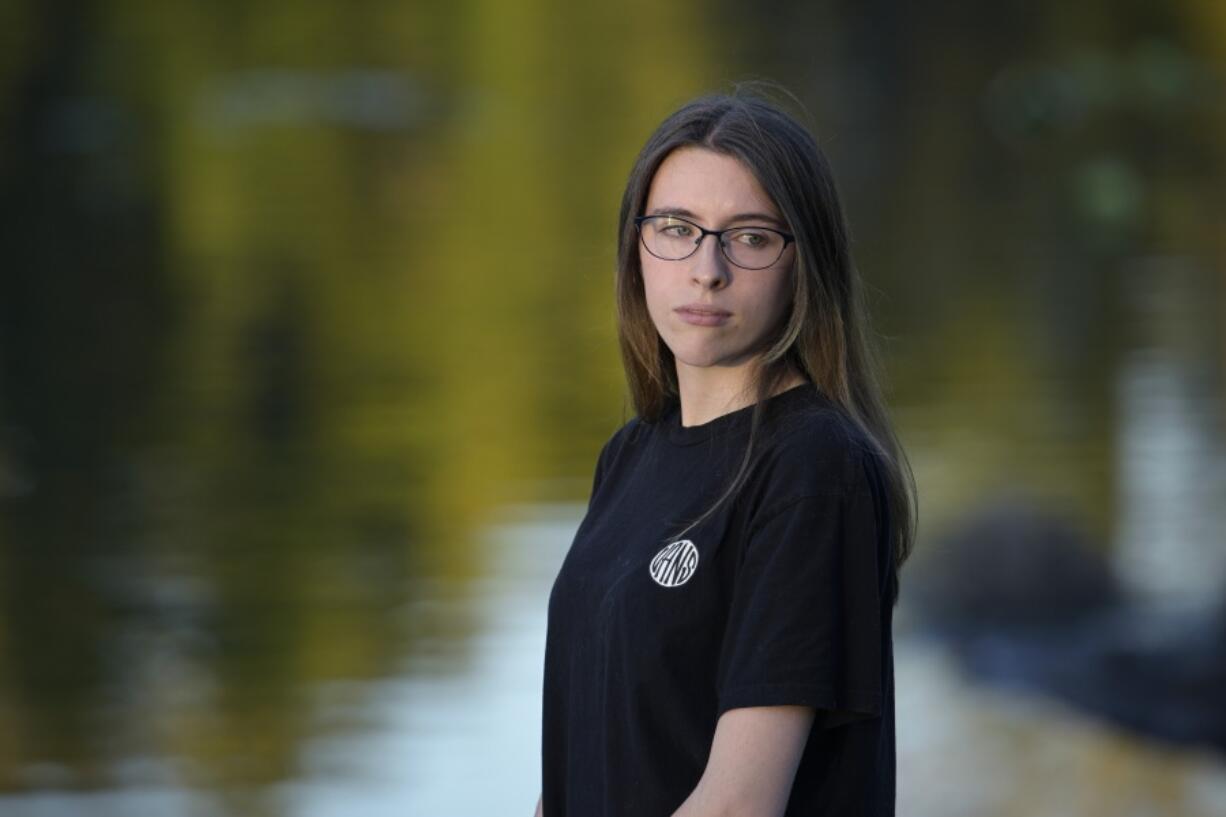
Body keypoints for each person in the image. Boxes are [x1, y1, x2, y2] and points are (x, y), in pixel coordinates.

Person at [535, 88, 917, 817]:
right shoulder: (630, 455)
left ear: (804, 262)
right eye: (676, 227)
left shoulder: (813, 467)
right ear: (635, 247)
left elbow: (738, 805)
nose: (706, 268)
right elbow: (579, 763)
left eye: (749, 236)